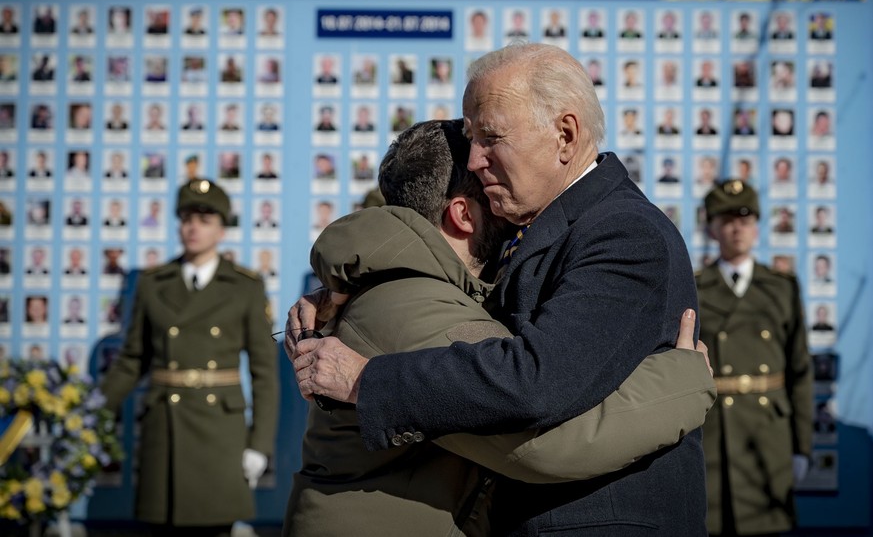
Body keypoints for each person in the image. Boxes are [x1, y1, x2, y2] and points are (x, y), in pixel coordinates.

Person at [289, 43, 708, 535]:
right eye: (470, 138)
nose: (475, 158)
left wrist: (367, 380)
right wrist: (348, 290)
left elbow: (537, 383)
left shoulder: (620, 232)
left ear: (565, 136)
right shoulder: (541, 226)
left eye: (490, 137)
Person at [99, 179, 279, 536]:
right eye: (186, 218)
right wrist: (90, 412)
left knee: (214, 527)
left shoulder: (245, 286)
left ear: (221, 228)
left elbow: (264, 373)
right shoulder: (154, 284)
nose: (193, 227)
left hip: (219, 433)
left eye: (205, 219)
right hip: (165, 426)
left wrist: (259, 445)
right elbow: (133, 360)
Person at [696, 180, 813, 536]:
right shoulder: (695, 287)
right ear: (712, 228)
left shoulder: (781, 287)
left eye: (745, 220)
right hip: (716, 433)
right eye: (727, 220)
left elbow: (800, 371)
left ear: (757, 226)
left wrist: (802, 448)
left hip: (767, 434)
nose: (737, 229)